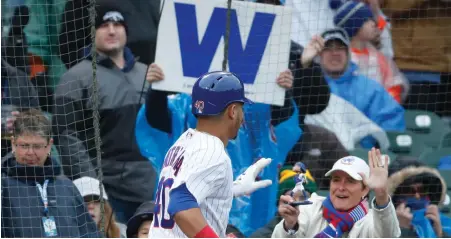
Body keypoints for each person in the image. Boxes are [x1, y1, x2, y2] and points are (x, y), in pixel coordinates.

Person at [137, 64, 301, 236]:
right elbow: (180, 204)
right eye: (241, 108)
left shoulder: (183, 142)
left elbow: (183, 192)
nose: (243, 115)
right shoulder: (212, 150)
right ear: (232, 111)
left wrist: (231, 190)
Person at [52, 5, 156, 223]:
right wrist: (92, 186)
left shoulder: (149, 74)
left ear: (126, 31)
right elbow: (67, 138)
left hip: (149, 185)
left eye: (117, 25)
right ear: (92, 32)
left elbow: (162, 129)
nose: (111, 31)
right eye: (104, 25)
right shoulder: (74, 79)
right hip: (106, 190)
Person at [1, 109, 101, 238]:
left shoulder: (67, 187)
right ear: (13, 144)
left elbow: (89, 234)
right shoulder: (3, 186)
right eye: (24, 146)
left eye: (37, 146)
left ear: (49, 146)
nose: (30, 153)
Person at [301, 28, 405, 150]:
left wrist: (366, 149)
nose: (335, 53)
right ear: (319, 54)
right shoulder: (308, 85)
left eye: (340, 48)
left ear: (348, 53)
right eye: (328, 48)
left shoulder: (370, 88)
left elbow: (391, 121)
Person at [272, 148, 401, 238]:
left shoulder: (371, 221)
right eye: (336, 180)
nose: (341, 187)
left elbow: (388, 235)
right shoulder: (310, 208)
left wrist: (381, 194)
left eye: (350, 181)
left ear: (365, 189)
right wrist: (290, 226)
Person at [333, 0, 409, 103]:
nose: (373, 23)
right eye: (366, 20)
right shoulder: (344, 60)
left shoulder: (378, 57)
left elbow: (393, 84)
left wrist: (390, 104)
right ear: (354, 28)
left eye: (371, 19)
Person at [387, 157, 451, 238]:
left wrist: (441, 234)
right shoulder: (381, 225)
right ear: (396, 195)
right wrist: (401, 229)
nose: (417, 196)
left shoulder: (444, 223)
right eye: (409, 190)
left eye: (422, 190)